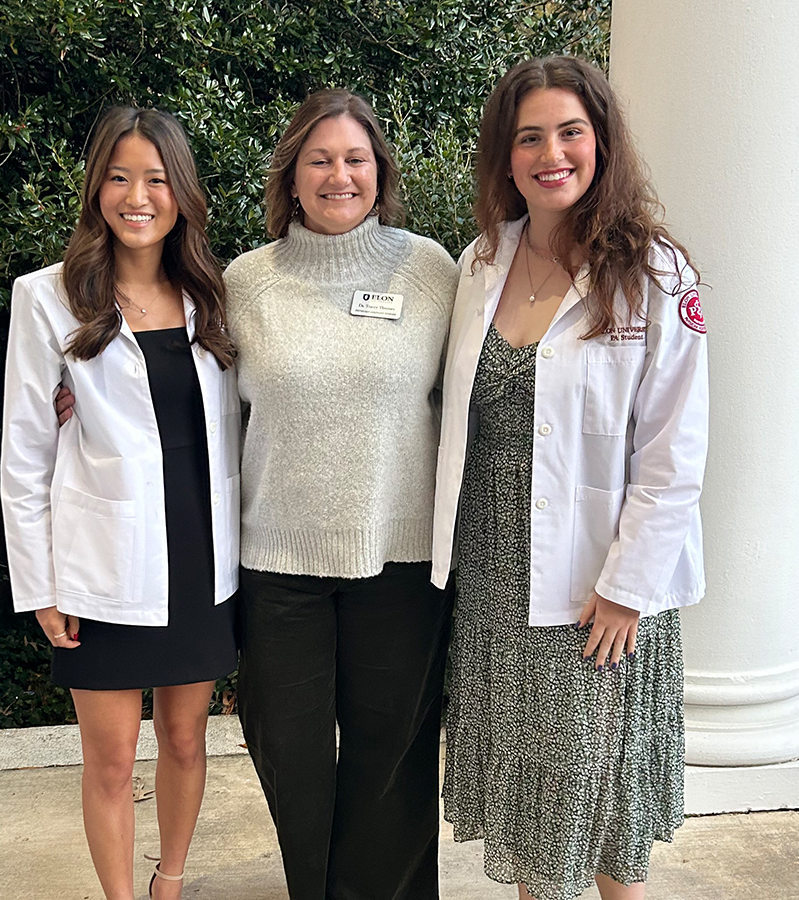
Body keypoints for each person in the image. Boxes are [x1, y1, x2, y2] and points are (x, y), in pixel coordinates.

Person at [431, 57, 709, 900]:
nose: (551, 153)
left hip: (598, 588)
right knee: (533, 810)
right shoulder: (478, 263)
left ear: (602, 141)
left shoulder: (657, 274)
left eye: (570, 132)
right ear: (505, 158)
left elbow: (675, 452)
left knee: (598, 812)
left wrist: (628, 588)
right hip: (491, 571)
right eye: (529, 138)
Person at [0, 106, 240, 900]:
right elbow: (25, 455)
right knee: (107, 758)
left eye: (157, 180)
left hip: (200, 559)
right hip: (97, 566)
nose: (138, 197)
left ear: (182, 195)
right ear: (96, 187)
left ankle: (168, 882)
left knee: (183, 738)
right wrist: (41, 589)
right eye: (119, 177)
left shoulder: (214, 293)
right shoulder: (47, 299)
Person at [226, 89, 459, 900]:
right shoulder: (245, 284)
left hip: (400, 558)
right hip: (278, 560)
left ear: (379, 171)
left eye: (355, 158)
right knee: (291, 756)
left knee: (389, 755)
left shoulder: (431, 270)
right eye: (319, 159)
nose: (338, 175)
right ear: (291, 176)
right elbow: (202, 412)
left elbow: (482, 390)